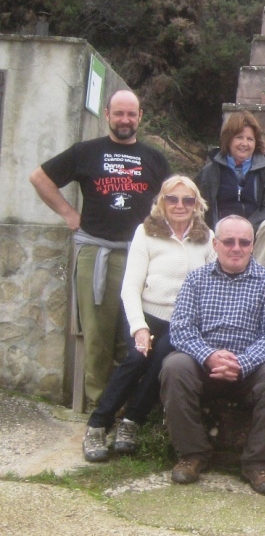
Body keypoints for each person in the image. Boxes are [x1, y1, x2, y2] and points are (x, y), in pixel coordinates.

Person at [29, 88, 170, 404]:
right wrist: (68, 213)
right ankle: (100, 402)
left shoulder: (155, 159)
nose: (125, 119)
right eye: (118, 113)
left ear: (140, 117)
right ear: (107, 114)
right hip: (97, 253)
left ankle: (131, 400)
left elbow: (172, 201)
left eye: (131, 114)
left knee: (135, 331)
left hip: (142, 254)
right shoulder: (85, 152)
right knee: (97, 334)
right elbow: (40, 178)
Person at [82, 176, 215, 462]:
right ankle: (97, 424)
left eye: (187, 200)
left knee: (161, 360)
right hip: (148, 314)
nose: (180, 205)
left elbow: (212, 286)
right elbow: (130, 286)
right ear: (161, 202)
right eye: (173, 198)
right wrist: (139, 327)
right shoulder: (146, 232)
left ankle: (131, 422)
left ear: (196, 205)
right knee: (137, 358)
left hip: (184, 322)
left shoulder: (206, 237)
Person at [160, 215, 265, 496]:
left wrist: (241, 363)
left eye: (244, 242)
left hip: (248, 370)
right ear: (215, 244)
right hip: (202, 367)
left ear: (252, 246)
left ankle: (258, 463)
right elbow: (181, 328)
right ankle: (192, 454)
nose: (236, 248)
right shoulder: (196, 279)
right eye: (229, 242)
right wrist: (208, 356)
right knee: (174, 366)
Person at [196, 111, 265, 268]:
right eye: (239, 137)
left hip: (254, 237)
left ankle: (256, 277)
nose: (244, 143)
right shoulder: (210, 171)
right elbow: (199, 208)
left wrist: (245, 228)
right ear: (228, 140)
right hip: (220, 236)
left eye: (250, 139)